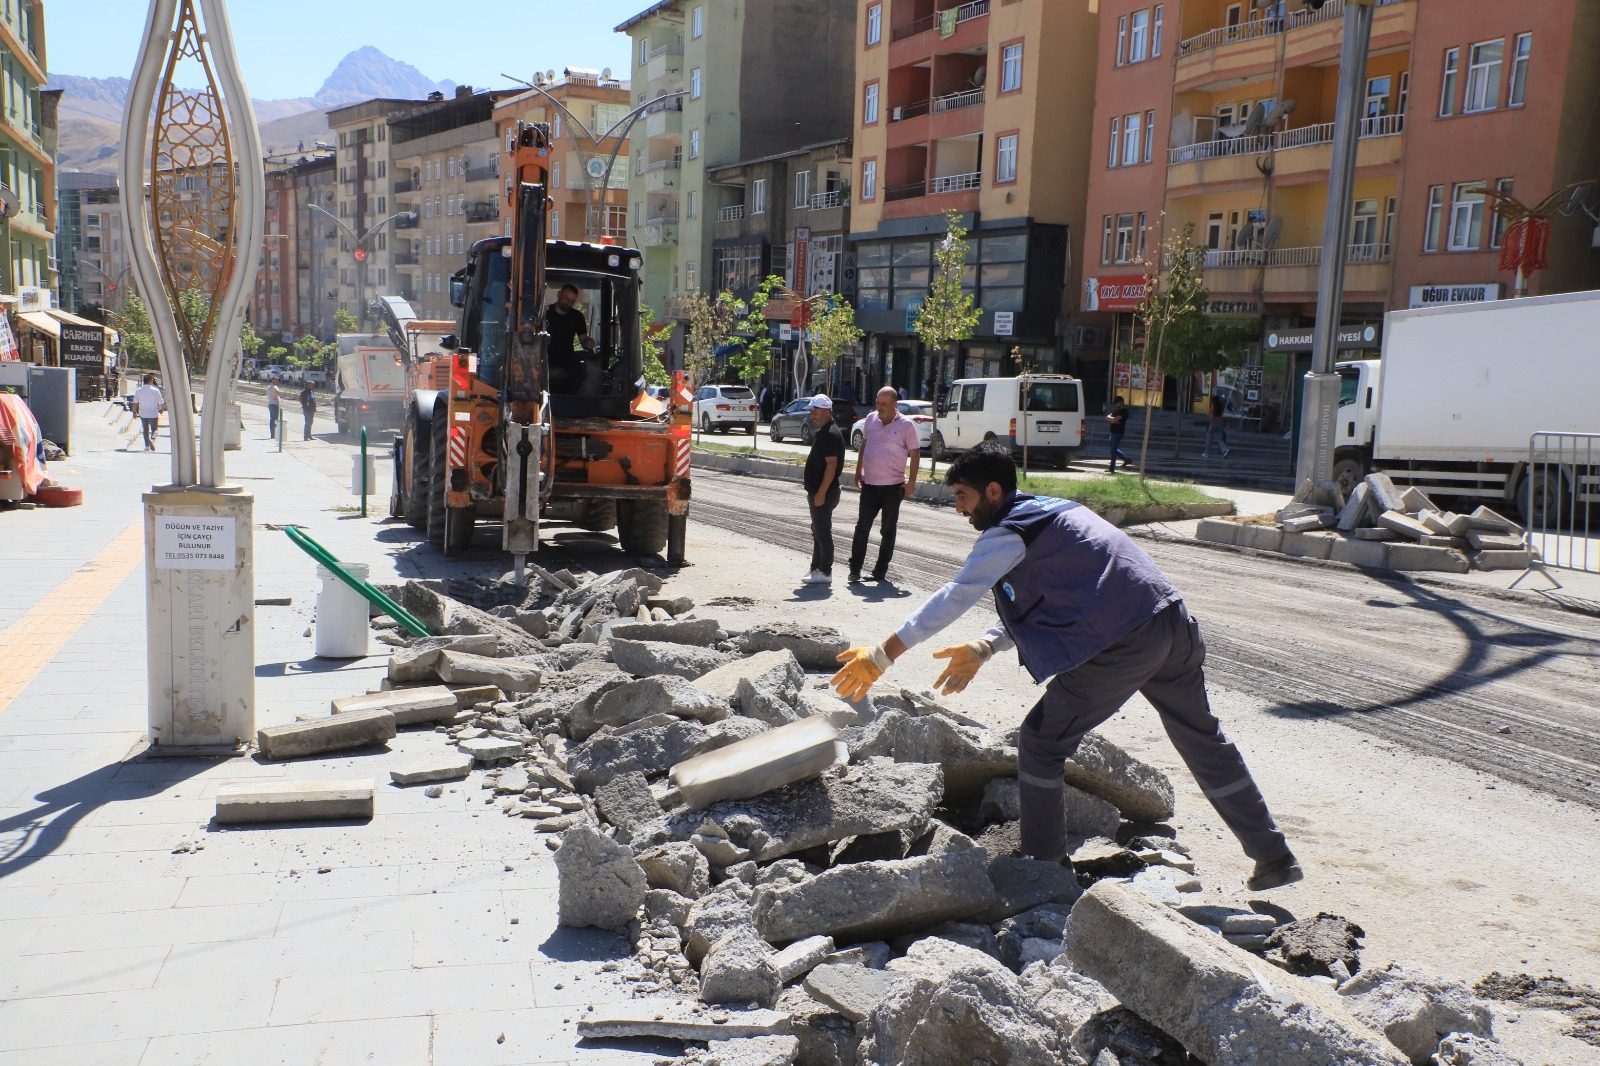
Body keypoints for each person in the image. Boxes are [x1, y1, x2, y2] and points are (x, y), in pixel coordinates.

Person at [831, 440, 1302, 891]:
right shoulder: (1059, 510)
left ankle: (1046, 863)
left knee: (1041, 740)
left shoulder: (1009, 529)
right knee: (1204, 740)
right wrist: (987, 645)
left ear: (993, 491)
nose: (959, 508)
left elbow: (956, 595)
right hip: (1171, 623)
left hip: (1125, 641)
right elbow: (1068, 594)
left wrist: (884, 652)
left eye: (963, 496)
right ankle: (1273, 854)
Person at [848, 385, 921, 584]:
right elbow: (865, 443)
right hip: (870, 485)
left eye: (884, 404)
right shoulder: (871, 419)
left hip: (893, 487)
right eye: (878, 403)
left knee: (888, 530)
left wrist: (911, 482)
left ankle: (880, 571)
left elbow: (915, 454)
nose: (879, 407)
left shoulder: (906, 425)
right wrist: (858, 471)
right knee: (862, 527)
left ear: (894, 404)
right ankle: (854, 569)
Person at [801, 394, 846, 586]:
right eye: (811, 411)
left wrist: (820, 492)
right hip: (821, 491)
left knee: (823, 533)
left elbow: (831, 466)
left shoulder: (829, 434)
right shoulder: (826, 432)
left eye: (815, 411)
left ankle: (825, 571)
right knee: (817, 531)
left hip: (824, 492)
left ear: (827, 411)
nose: (812, 415)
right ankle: (816, 568)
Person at [546, 283, 596, 392]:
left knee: (578, 372)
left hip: (566, 357)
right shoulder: (545, 313)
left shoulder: (577, 317)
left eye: (572, 301)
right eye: (566, 298)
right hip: (545, 356)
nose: (568, 303)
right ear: (559, 294)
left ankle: (572, 402)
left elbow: (583, 340)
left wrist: (589, 343)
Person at [133, 373, 164, 451]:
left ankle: (147, 446)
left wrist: (134, 412)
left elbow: (135, 402)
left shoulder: (138, 390)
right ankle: (152, 439)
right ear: (150, 381)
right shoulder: (156, 390)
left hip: (143, 413)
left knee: (145, 429)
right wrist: (161, 409)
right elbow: (161, 402)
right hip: (153, 413)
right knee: (155, 429)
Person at [1106, 395, 1131, 473]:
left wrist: (1113, 420)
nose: (1116, 405)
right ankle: (1127, 460)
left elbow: (1115, 419)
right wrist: (1112, 419)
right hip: (1113, 432)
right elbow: (1107, 417)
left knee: (1113, 451)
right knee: (1113, 450)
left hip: (1118, 433)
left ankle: (1112, 468)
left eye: (1117, 403)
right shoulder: (1116, 411)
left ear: (1121, 402)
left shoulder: (1124, 411)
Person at [1204, 392, 1231, 458]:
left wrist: (1210, 424)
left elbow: (1211, 418)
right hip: (1220, 424)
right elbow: (1222, 417)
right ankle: (1225, 449)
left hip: (1213, 424)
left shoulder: (1212, 408)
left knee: (1209, 438)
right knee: (1220, 439)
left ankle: (1206, 453)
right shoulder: (1220, 408)